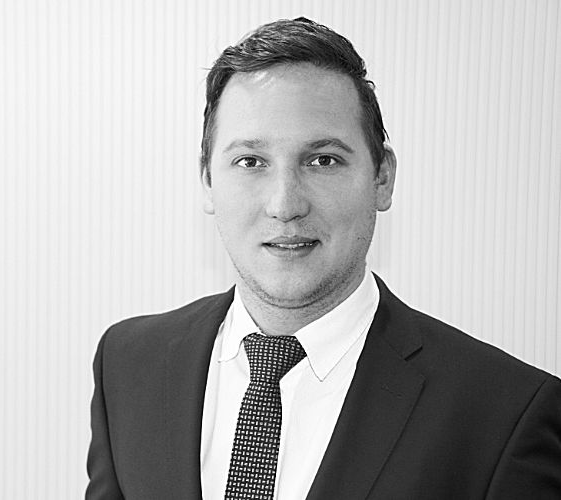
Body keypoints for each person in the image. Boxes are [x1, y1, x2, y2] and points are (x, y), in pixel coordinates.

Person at [86, 17, 561, 499]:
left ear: (382, 178)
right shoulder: (127, 364)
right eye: (250, 162)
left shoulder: (506, 416)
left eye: (323, 160)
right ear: (208, 180)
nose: (285, 204)